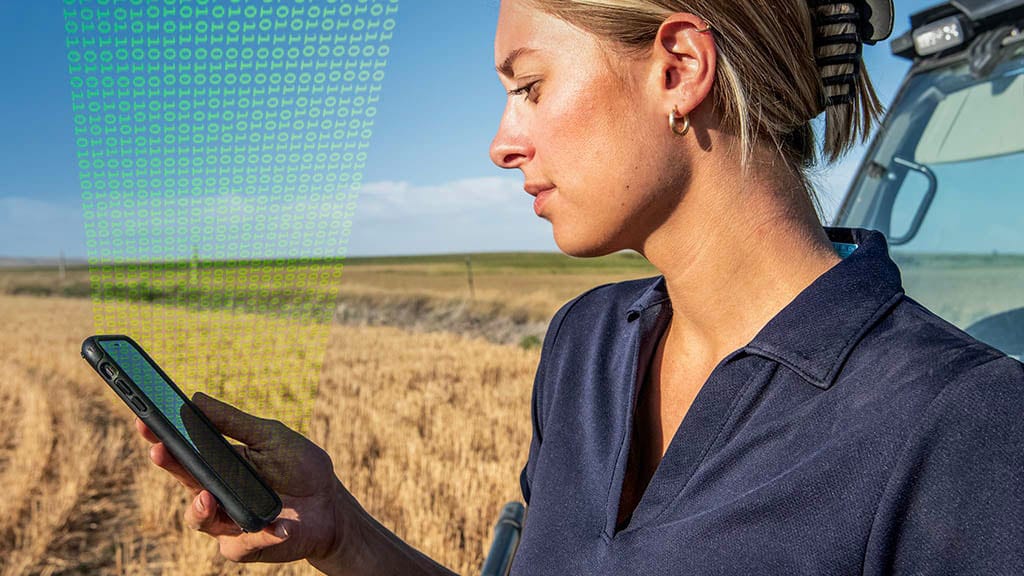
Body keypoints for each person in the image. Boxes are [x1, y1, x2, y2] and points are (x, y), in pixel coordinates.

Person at [137, 0, 1024, 574]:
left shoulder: (964, 425)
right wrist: (343, 533)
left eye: (528, 86)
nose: (502, 141)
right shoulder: (588, 346)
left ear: (679, 67)